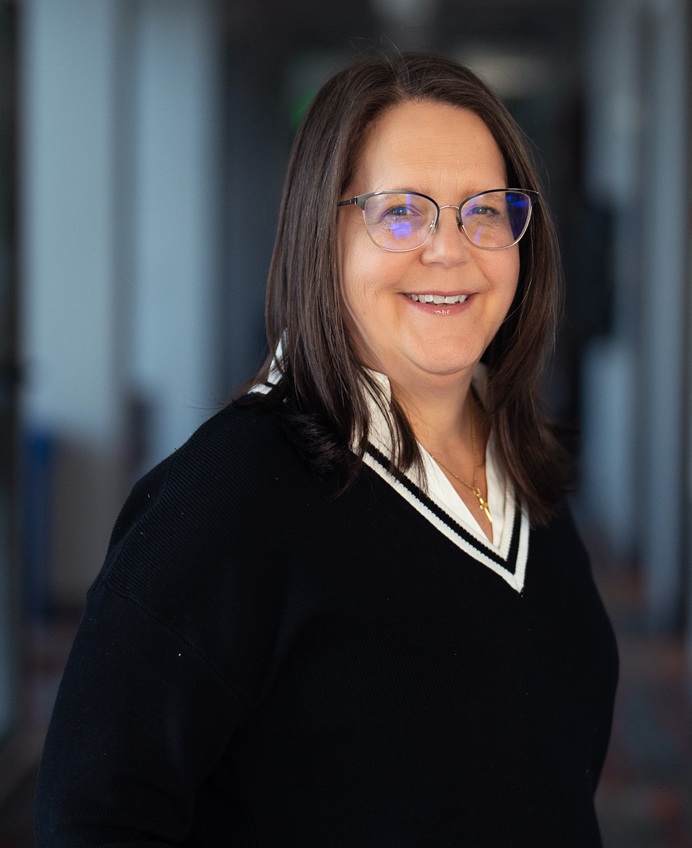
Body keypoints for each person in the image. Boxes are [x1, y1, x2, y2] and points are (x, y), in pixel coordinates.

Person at [35, 52, 618, 847]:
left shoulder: (524, 471)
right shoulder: (229, 496)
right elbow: (96, 817)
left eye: (484, 210)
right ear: (323, 232)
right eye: (403, 213)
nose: (451, 250)